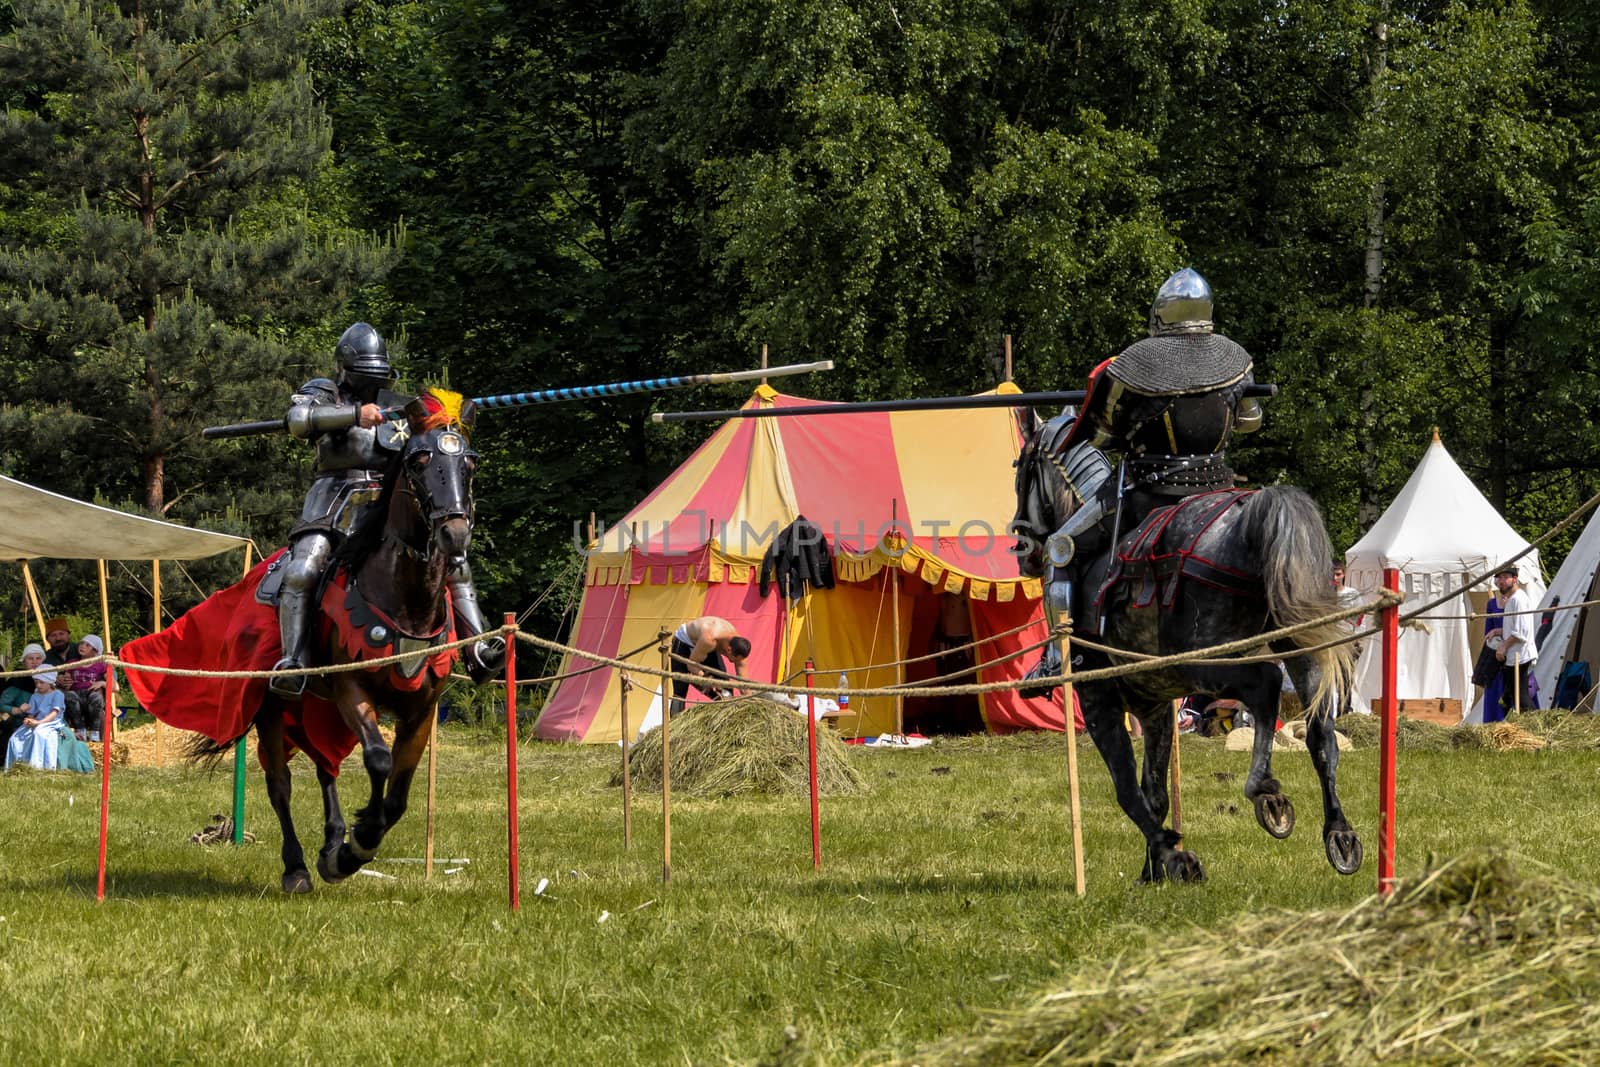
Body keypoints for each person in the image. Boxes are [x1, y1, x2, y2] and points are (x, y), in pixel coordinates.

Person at [1030, 268, 1265, 671]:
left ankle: (1057, 656)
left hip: (1147, 490)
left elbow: (1102, 437)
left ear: (1161, 314)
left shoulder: (1133, 364)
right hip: (1216, 487)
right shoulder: (1236, 359)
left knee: (1060, 546)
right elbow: (1250, 422)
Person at [271, 322, 502, 697]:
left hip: (389, 497)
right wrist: (354, 415)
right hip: (335, 493)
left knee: (452, 561)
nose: (371, 383)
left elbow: (430, 443)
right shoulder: (325, 391)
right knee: (302, 569)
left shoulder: (399, 405)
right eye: (365, 375)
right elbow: (298, 421)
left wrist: (441, 417)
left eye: (376, 376)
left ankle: (476, 647)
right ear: (346, 369)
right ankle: (293, 661)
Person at [668, 615, 751, 717]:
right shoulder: (710, 639)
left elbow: (743, 679)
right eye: (734, 660)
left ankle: (726, 720)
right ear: (729, 650)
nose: (735, 663)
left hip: (704, 648)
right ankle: (674, 725)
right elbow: (691, 665)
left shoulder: (739, 646)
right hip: (684, 643)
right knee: (680, 692)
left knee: (724, 687)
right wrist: (708, 681)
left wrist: (750, 703)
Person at [1493, 566, 1538, 715]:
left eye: (1506, 577)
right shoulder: (1512, 600)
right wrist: (1498, 631)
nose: (1501, 581)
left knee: (1521, 696)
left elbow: (1521, 632)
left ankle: (1538, 726)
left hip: (1521, 654)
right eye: (1499, 578)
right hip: (1514, 655)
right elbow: (1515, 626)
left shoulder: (1518, 599)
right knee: (1512, 695)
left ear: (1515, 579)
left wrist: (1503, 647)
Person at [3, 669, 67, 771]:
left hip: (51, 722)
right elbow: (32, 714)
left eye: (42, 682)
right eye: (36, 682)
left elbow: (54, 713)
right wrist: (29, 720)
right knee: (15, 737)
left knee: (39, 733)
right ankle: (15, 766)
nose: (38, 685)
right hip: (36, 722)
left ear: (50, 682)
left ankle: (38, 767)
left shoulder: (58, 694)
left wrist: (39, 723)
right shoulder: (35, 696)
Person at [60, 635, 108, 741]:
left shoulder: (100, 665)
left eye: (88, 645)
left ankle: (95, 732)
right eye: (81, 643)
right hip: (76, 695)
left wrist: (101, 683)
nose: (82, 646)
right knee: (69, 696)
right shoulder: (72, 663)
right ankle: (80, 729)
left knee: (96, 697)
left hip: (91, 694)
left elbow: (115, 686)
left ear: (95, 651)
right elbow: (66, 682)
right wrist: (64, 681)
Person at [0, 643, 46, 748]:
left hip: (44, 720)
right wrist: (18, 710)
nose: (35, 662)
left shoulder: (49, 680)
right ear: (24, 662)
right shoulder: (17, 680)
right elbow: (2, 705)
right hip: (20, 722)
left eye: (38, 658)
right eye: (30, 658)